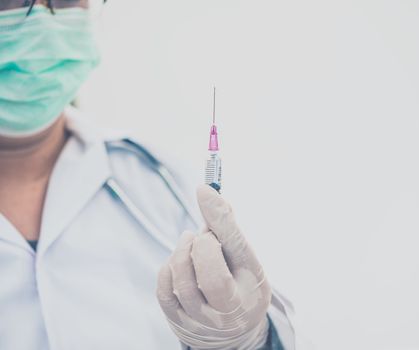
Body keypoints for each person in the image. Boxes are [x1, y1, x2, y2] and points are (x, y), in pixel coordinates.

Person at [0, 1, 295, 349]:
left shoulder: (158, 180)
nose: (44, 23)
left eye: (64, 0)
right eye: (12, 1)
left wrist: (247, 341)